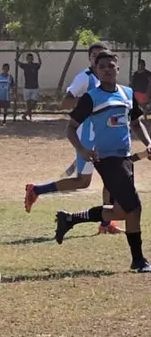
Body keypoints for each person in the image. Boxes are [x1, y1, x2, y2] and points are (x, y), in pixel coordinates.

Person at [54, 50, 151, 273]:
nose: (107, 69)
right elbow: (70, 128)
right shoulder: (92, 98)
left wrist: (148, 142)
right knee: (134, 208)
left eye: (110, 65)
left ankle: (70, 219)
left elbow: (136, 123)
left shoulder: (127, 93)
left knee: (121, 210)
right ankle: (139, 261)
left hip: (124, 158)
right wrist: (82, 149)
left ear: (117, 68)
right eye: (102, 67)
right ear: (97, 72)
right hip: (107, 159)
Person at [23, 42, 123, 235]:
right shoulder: (84, 78)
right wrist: (89, 103)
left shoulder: (109, 83)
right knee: (82, 182)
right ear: (90, 59)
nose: (97, 59)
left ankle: (106, 223)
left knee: (110, 180)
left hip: (103, 136)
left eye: (101, 56)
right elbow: (65, 102)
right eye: (94, 56)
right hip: (87, 136)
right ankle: (36, 190)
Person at [16, 51, 41, 121]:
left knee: (34, 102)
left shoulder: (35, 65)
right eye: (28, 58)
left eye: (31, 58)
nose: (30, 59)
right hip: (27, 87)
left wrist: (38, 55)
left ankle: (25, 115)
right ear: (27, 59)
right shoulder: (25, 66)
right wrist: (20, 54)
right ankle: (29, 117)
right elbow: (16, 61)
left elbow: (40, 63)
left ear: (32, 59)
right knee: (28, 104)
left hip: (35, 86)